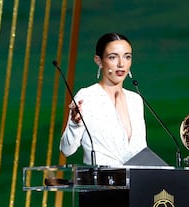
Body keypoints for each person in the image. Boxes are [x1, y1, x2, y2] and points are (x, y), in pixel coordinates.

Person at [59, 32, 147, 166]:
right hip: (100, 184)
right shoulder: (87, 97)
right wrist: (75, 124)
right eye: (113, 57)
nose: (121, 64)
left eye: (127, 57)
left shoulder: (135, 100)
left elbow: (141, 150)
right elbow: (66, 150)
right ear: (99, 61)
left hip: (135, 184)